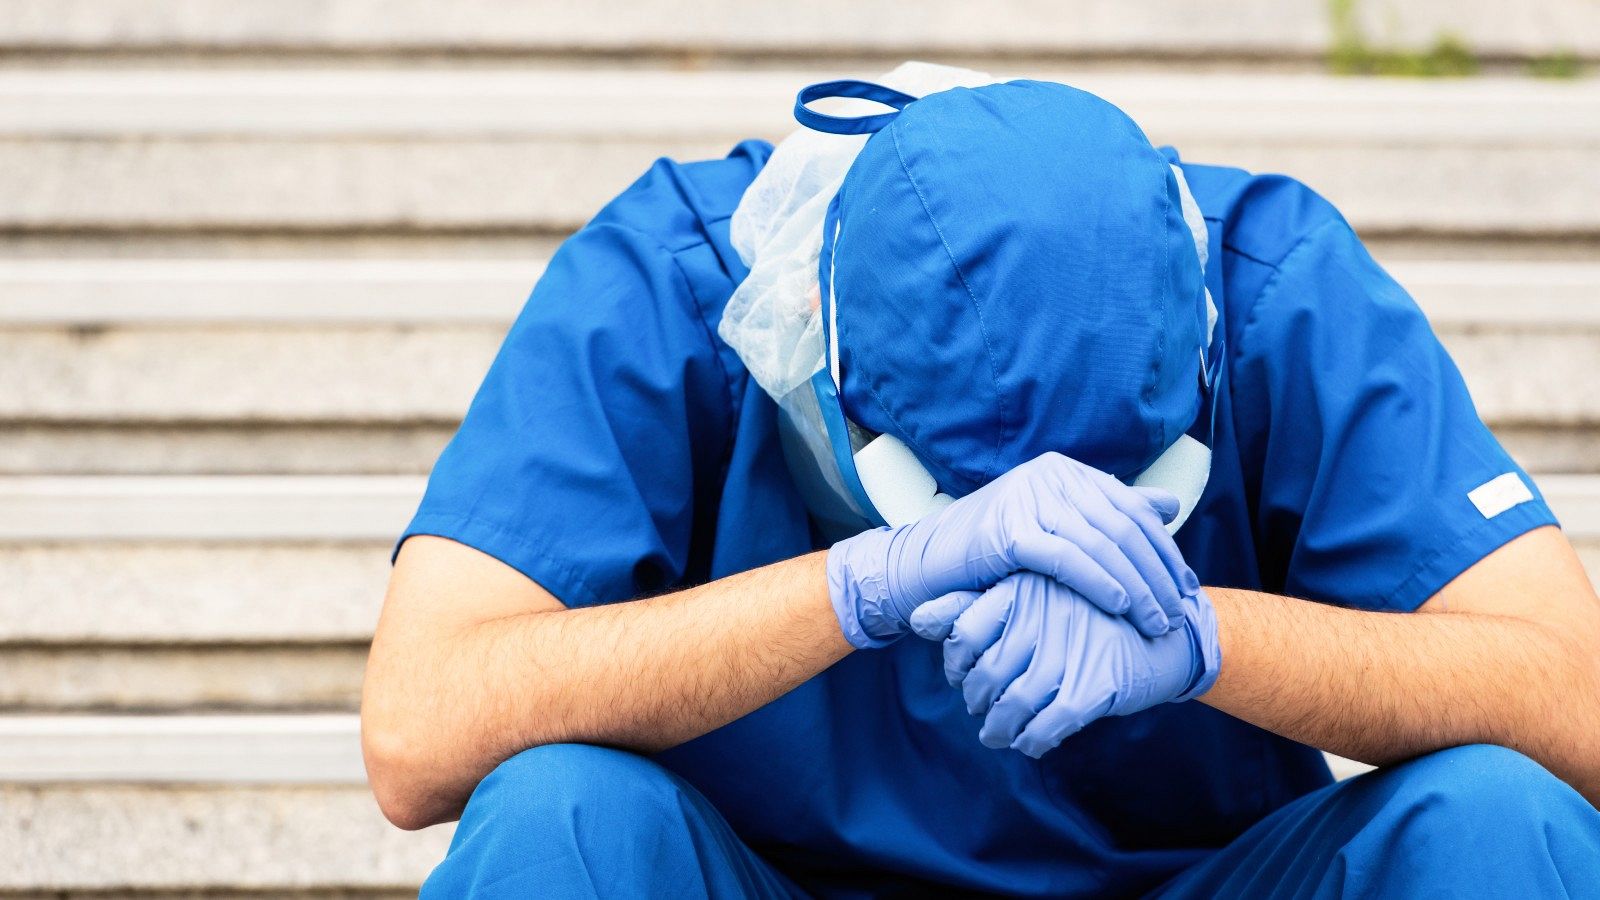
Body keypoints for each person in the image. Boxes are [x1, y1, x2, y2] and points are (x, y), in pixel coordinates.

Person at [360, 63, 1600, 897]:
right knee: (557, 817)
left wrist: (1204, 638)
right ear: (811, 339)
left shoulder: (1274, 285)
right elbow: (420, 728)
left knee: (1498, 816)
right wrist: (856, 587)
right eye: (955, 504)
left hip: (1185, 875)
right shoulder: (673, 284)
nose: (1034, 550)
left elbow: (1576, 705)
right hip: (773, 876)